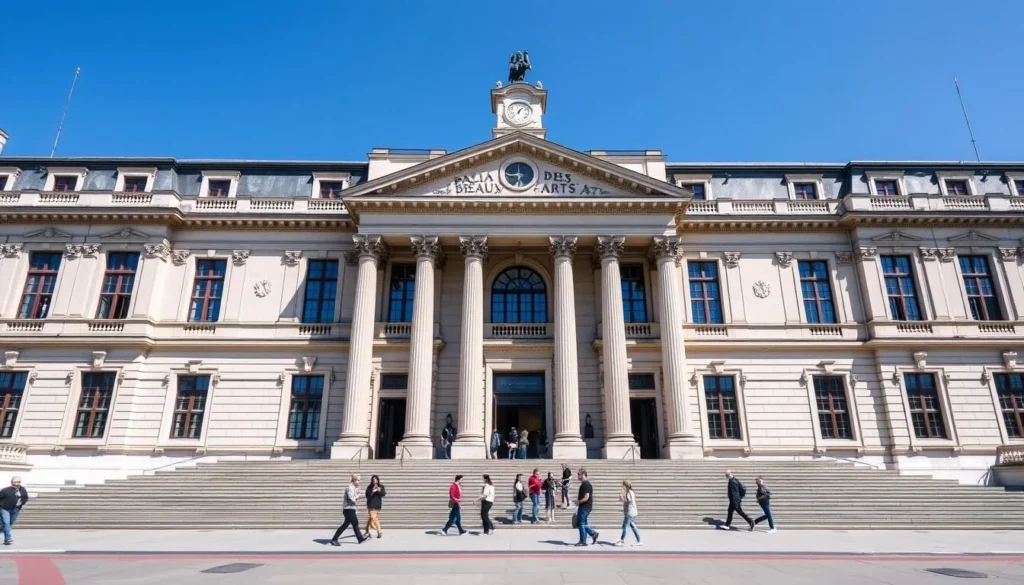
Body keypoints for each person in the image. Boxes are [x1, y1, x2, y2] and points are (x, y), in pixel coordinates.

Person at [330, 474, 367, 545]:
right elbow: (351, 499)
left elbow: (360, 494)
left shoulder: (355, 488)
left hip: (351, 508)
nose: (359, 481)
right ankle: (334, 539)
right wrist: (357, 502)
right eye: (358, 480)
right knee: (354, 523)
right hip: (348, 508)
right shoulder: (350, 488)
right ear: (354, 480)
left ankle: (360, 539)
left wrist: (367, 494)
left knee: (349, 524)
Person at [0, 476, 29, 546]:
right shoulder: (5, 490)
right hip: (5, 508)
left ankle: (2, 529)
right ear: (12, 482)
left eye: (18, 482)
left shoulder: (22, 489)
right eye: (15, 482)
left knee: (9, 523)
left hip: (16, 509)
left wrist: (22, 502)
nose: (17, 484)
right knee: (6, 523)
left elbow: (25, 497)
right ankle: (8, 539)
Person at [574, 468, 598, 546]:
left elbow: (586, 497)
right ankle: (593, 534)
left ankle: (583, 541)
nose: (577, 476)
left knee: (581, 523)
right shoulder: (584, 484)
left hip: (585, 507)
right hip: (584, 506)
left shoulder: (586, 484)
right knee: (583, 523)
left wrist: (578, 502)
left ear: (583, 474)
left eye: (579, 474)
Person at [615, 480, 641, 547]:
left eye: (623, 485)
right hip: (632, 511)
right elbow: (625, 500)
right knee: (632, 526)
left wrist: (622, 493)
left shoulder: (629, 492)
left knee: (625, 526)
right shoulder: (631, 492)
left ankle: (622, 540)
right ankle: (639, 541)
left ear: (625, 485)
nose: (622, 486)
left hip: (630, 512)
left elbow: (629, 501)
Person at [363, 474, 386, 539]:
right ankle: (379, 531)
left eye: (376, 480)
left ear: (378, 480)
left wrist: (379, 490)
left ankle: (367, 531)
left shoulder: (381, 486)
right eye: (373, 480)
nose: (374, 481)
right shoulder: (369, 487)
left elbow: (383, 494)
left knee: (372, 518)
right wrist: (372, 492)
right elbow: (367, 496)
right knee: (373, 518)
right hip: (370, 505)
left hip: (377, 505)